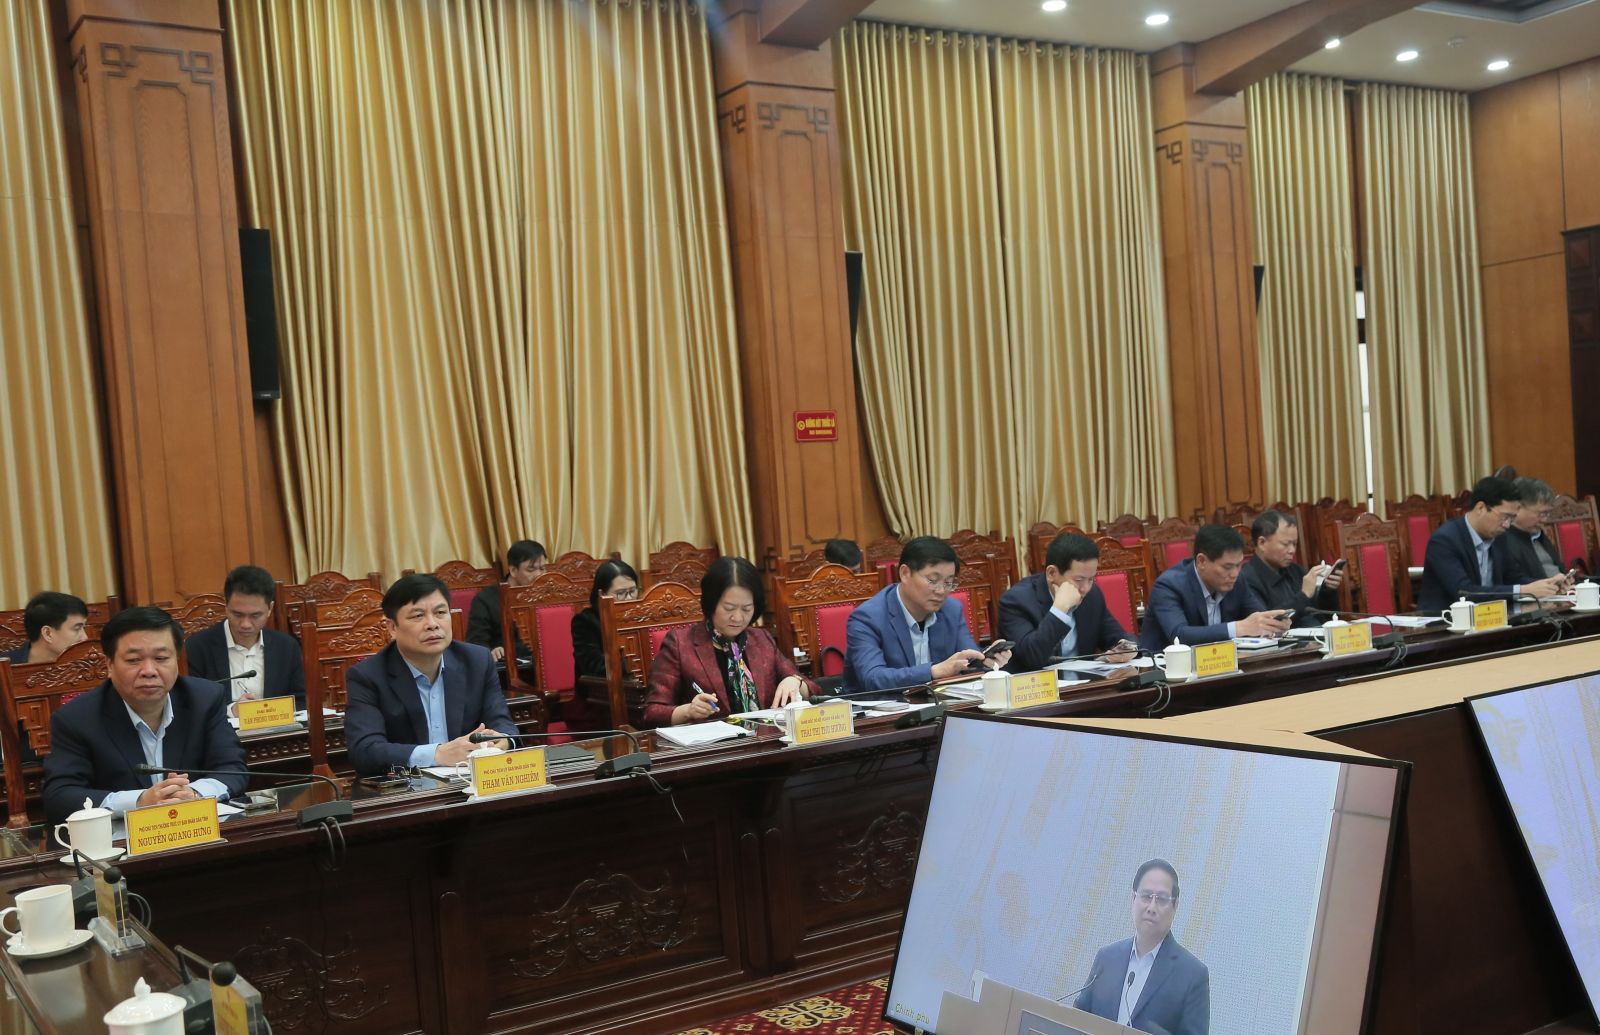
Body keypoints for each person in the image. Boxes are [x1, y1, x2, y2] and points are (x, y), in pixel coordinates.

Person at [41, 607, 248, 825]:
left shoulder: (204, 699)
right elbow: (60, 796)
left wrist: (193, 794)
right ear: (109, 665)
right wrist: (139, 801)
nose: (149, 670)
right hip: (122, 841)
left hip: (196, 830)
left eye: (161, 658)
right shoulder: (76, 719)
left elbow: (233, 769)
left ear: (177, 660)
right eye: (133, 660)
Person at [343, 574, 517, 775]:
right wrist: (437, 754)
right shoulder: (367, 676)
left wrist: (503, 741)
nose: (432, 624)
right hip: (409, 787)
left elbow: (502, 724)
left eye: (440, 612)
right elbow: (365, 750)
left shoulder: (477, 661)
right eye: (418, 616)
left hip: (472, 781)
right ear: (392, 627)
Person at [643, 557, 816, 726]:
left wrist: (795, 682)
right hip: (712, 743)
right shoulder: (680, 644)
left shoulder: (761, 639)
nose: (738, 618)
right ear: (711, 603)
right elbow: (653, 712)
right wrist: (688, 711)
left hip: (764, 739)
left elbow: (813, 688)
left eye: (746, 609)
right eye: (729, 608)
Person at [842, 536, 1011, 692]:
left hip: (938, 705)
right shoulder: (867, 618)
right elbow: (873, 678)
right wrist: (933, 671)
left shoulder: (951, 609)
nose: (941, 591)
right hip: (880, 709)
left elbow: (967, 659)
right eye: (933, 580)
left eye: (949, 583)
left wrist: (985, 660)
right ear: (905, 573)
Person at [1073, 859, 1210, 1035]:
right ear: (1133, 898)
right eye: (1146, 896)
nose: (1151, 907)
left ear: (1175, 905)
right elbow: (1076, 1020)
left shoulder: (1193, 975)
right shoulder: (1107, 958)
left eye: (1161, 899)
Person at [1417, 476, 1568, 611]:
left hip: (1490, 616)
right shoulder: (1445, 540)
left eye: (1512, 518)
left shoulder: (1499, 536)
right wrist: (1524, 590)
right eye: (1505, 517)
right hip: (1444, 621)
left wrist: (1547, 586)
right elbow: (1464, 592)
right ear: (1481, 508)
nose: (1507, 525)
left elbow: (1513, 577)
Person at [998, 532, 1135, 672]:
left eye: (1091, 579)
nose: (1085, 588)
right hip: (1037, 683)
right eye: (1078, 580)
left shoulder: (1092, 595)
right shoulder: (1016, 601)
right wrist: (1059, 610)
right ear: (1052, 573)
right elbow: (1032, 657)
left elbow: (1118, 637)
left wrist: (1128, 649)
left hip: (1086, 682)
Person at [1138, 524, 1289, 651]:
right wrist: (1238, 628)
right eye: (1227, 567)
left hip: (1222, 664)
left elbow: (1257, 616)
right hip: (1166, 670)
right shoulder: (1168, 586)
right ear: (1202, 561)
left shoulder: (1238, 580)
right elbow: (1180, 635)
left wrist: (1272, 624)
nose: (1235, 573)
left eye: (1239, 565)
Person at [184, 565, 307, 710]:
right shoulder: (196, 647)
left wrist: (266, 712)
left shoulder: (287, 647)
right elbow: (193, 705)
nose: (245, 624)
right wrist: (231, 710)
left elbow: (301, 702)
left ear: (270, 609)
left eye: (255, 615)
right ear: (226, 606)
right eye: (237, 615)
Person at [1241, 511, 1342, 627]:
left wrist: (1327, 590)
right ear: (1262, 543)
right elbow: (1266, 624)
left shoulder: (1296, 571)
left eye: (1294, 544)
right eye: (1285, 544)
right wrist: (1304, 595)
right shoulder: (1246, 579)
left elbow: (1327, 617)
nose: (1292, 550)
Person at [466, 540, 547, 661]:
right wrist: (492, 651)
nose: (539, 575)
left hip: (544, 659)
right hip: (506, 664)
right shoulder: (485, 600)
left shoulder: (547, 595)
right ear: (513, 570)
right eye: (531, 570)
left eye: (542, 568)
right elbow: (476, 643)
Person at [572, 559, 639, 680]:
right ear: (602, 594)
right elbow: (594, 667)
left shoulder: (642, 616)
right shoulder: (585, 622)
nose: (629, 598)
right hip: (601, 687)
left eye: (633, 591)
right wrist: (636, 666)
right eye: (621, 593)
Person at [1501, 477, 1567, 585]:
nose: (1545, 520)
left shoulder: (1538, 534)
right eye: (1541, 513)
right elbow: (1514, 582)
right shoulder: (1502, 540)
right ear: (1518, 508)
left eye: (1547, 513)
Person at [6, 591, 89, 664]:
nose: (85, 637)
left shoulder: (87, 664)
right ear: (48, 634)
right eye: (77, 628)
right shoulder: (4, 668)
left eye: (83, 628)